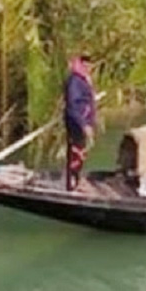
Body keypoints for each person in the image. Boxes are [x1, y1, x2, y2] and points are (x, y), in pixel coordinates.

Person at [64, 55, 97, 191]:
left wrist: (90, 123)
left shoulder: (83, 80)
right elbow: (73, 105)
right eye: (86, 66)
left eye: (90, 66)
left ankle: (76, 180)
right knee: (76, 152)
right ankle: (72, 184)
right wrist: (83, 124)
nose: (89, 69)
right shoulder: (75, 81)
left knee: (81, 151)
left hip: (82, 120)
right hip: (76, 122)